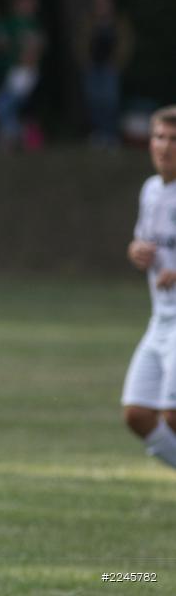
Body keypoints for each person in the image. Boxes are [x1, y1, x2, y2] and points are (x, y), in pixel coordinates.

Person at [123, 105, 176, 470]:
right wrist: (135, 249)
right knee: (138, 415)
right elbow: (145, 241)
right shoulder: (152, 190)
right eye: (160, 137)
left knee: (172, 417)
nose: (166, 146)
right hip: (160, 319)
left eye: (175, 140)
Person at [76, 0, 134, 148]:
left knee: (110, 101)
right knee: (94, 101)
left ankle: (111, 134)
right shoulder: (88, 21)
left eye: (105, 4)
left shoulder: (119, 22)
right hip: (92, 67)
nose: (102, 7)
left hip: (110, 68)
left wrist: (117, 63)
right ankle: (99, 134)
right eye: (99, 4)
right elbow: (80, 42)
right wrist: (85, 61)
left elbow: (126, 44)